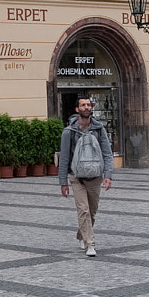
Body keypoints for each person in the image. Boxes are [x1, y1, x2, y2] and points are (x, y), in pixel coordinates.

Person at [57, 96, 113, 257]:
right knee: (83, 210)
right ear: (77, 109)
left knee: (92, 211)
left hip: (95, 176)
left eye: (89, 105)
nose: (87, 107)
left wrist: (108, 175)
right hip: (77, 177)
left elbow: (107, 154)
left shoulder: (99, 129)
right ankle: (90, 244)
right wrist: (63, 182)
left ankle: (82, 234)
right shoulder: (69, 132)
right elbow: (65, 158)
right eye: (83, 105)